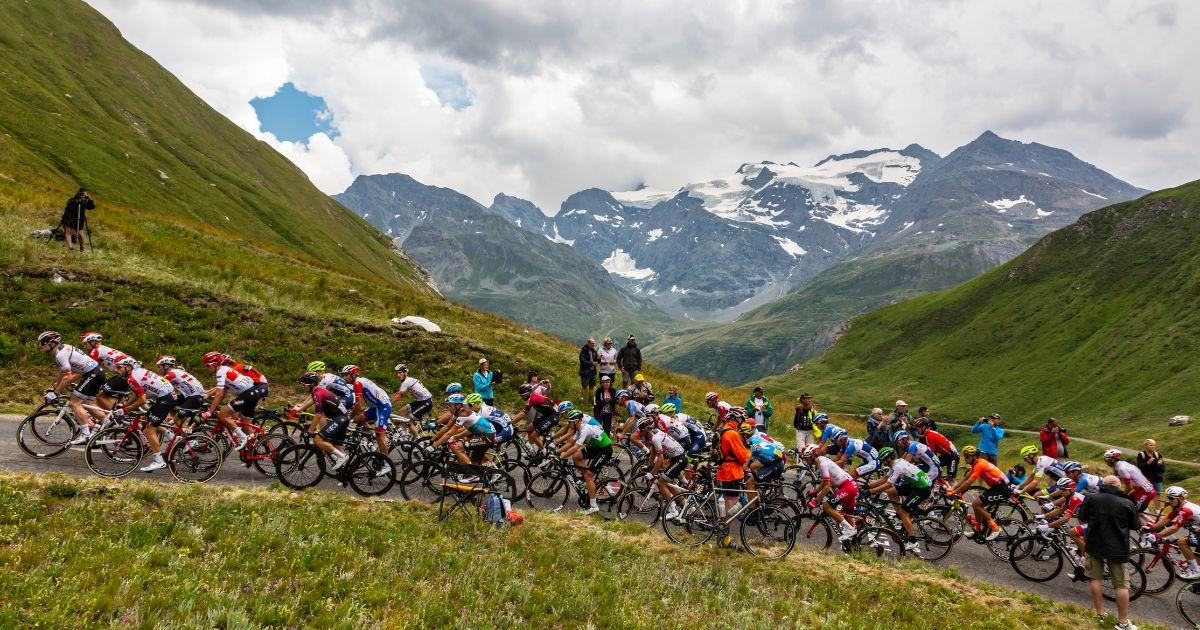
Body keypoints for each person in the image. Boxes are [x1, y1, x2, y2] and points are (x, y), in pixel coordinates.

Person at [1077, 475, 1140, 630]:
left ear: (1103, 485)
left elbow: (1082, 517)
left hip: (1093, 543)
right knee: (1121, 584)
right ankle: (1123, 622)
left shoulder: (1091, 498)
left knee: (1094, 578)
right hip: (1117, 547)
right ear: (1118, 486)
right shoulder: (1127, 502)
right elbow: (1135, 525)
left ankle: (1100, 613)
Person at [37, 331, 105, 444]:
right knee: (88, 405)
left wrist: (56, 393)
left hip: (92, 374)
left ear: (52, 343)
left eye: (42, 343)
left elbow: (67, 377)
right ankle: (108, 421)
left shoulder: (60, 354)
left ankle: (86, 434)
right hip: (95, 373)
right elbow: (63, 373)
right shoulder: (62, 350)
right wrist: (55, 387)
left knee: (74, 403)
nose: (40, 345)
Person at [112, 357, 177, 473]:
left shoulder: (131, 379)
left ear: (128, 367)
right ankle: (173, 437)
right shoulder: (137, 372)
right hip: (167, 396)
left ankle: (159, 461)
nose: (116, 370)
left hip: (165, 398)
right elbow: (137, 394)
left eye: (119, 367)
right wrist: (125, 405)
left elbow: (142, 400)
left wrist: (125, 410)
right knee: (145, 419)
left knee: (149, 430)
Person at [868, 447, 930, 552]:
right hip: (916, 485)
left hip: (922, 489)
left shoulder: (897, 466)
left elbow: (888, 484)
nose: (882, 462)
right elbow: (884, 479)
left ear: (888, 459)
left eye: (883, 459)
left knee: (903, 512)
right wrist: (868, 486)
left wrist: (871, 491)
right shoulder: (896, 463)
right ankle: (898, 516)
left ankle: (912, 541)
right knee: (891, 491)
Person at [554, 409, 612, 515]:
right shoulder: (579, 429)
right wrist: (556, 452)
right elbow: (571, 443)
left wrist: (563, 456)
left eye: (570, 422)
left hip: (605, 449)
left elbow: (575, 446)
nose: (569, 424)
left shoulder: (585, 429)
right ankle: (587, 484)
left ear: (576, 421)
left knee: (589, 476)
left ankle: (594, 507)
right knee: (576, 456)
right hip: (596, 447)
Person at [200, 351, 260, 450]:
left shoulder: (220, 372)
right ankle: (251, 455)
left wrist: (209, 412)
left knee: (222, 414)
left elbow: (219, 394)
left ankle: (242, 436)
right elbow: (222, 392)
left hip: (248, 394)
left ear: (214, 364)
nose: (206, 368)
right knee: (246, 425)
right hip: (252, 393)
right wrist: (210, 396)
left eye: (207, 365)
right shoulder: (225, 369)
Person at [801, 443, 859, 542]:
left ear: (813, 456)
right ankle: (854, 541)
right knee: (846, 514)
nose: (805, 460)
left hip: (847, 487)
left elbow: (827, 487)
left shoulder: (822, 464)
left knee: (827, 507)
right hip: (850, 486)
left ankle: (849, 530)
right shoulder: (821, 460)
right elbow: (825, 481)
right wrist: (816, 491)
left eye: (807, 457)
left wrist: (816, 501)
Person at [340, 365, 392, 473]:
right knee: (360, 420)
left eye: (346, 375)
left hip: (382, 407)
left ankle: (387, 465)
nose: (344, 378)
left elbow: (358, 404)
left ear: (354, 375)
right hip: (375, 406)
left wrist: (349, 418)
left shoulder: (358, 383)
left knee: (379, 435)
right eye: (343, 375)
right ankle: (372, 441)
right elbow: (355, 402)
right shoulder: (358, 381)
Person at [947, 446, 1007, 541]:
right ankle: (977, 530)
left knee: (976, 503)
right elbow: (965, 478)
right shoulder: (976, 463)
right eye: (965, 456)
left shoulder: (980, 465)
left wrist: (954, 492)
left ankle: (996, 528)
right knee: (976, 504)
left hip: (1002, 489)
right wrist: (952, 489)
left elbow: (969, 482)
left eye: (967, 456)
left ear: (974, 457)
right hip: (996, 487)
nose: (965, 458)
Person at [1143, 486, 1200, 580]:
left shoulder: (1185, 510)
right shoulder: (1179, 507)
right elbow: (1167, 519)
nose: (1168, 501)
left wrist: (1157, 536)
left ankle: (1196, 571)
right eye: (1167, 497)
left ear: (1180, 498)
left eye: (1171, 498)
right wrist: (1151, 528)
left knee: (1182, 542)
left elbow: (1175, 528)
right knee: (1196, 562)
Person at [298, 371, 352, 470]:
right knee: (337, 446)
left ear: (312, 384)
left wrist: (310, 430)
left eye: (304, 384)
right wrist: (299, 408)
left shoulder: (318, 393)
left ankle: (343, 458)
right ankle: (347, 472)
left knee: (318, 439)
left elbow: (318, 414)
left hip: (340, 419)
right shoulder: (317, 391)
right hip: (342, 418)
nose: (302, 386)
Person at [715, 408, 752, 548]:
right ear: (738, 419)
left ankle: (723, 532)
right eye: (742, 419)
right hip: (732, 472)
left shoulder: (723, 429)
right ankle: (724, 536)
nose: (743, 422)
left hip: (725, 471)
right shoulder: (732, 434)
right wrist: (749, 451)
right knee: (734, 505)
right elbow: (743, 457)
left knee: (728, 503)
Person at [390, 364, 434, 437]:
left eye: (400, 372)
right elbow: (397, 393)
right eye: (397, 373)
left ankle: (419, 442)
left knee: (409, 422)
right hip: (421, 401)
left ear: (405, 373)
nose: (398, 375)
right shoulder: (409, 380)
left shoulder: (407, 382)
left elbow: (399, 396)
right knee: (402, 411)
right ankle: (405, 431)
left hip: (426, 402)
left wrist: (389, 404)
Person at [578, 338, 599, 403]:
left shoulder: (594, 351)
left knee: (592, 386)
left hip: (593, 372)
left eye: (594, 343)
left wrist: (599, 359)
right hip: (585, 372)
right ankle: (583, 401)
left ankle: (590, 401)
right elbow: (582, 361)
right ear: (588, 343)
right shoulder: (584, 351)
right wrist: (591, 363)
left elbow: (596, 361)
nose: (593, 344)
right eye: (592, 343)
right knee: (584, 386)